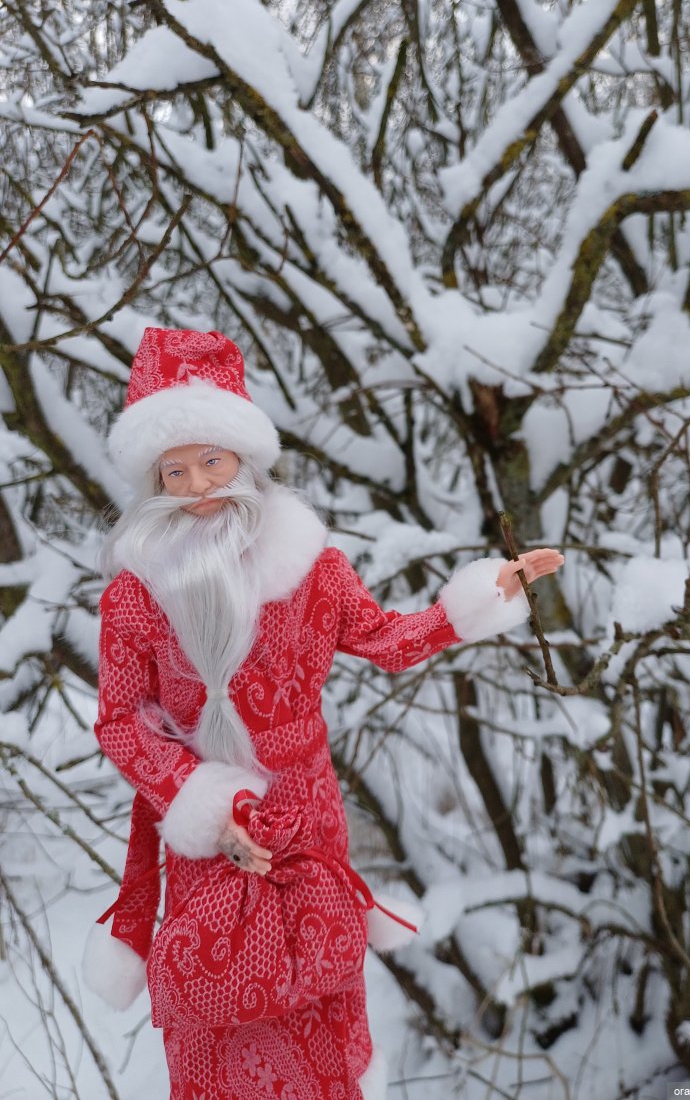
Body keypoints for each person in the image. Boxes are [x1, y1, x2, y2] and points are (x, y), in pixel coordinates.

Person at [82, 327, 563, 1100]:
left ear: (244, 459)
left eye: (212, 460)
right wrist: (202, 799)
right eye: (175, 469)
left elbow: (385, 639)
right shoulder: (137, 593)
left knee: (322, 980)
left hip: (307, 813)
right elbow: (120, 719)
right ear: (156, 479)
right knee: (215, 992)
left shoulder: (311, 566)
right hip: (207, 829)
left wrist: (475, 602)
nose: (197, 483)